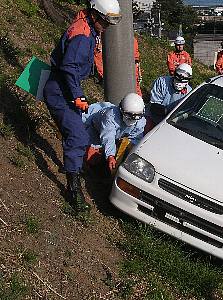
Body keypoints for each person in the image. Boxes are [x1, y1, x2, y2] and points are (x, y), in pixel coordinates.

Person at [43, 0, 121, 212]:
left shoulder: (89, 28)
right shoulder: (82, 35)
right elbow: (69, 67)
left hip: (67, 87)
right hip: (61, 90)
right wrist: (78, 95)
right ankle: (73, 190)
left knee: (79, 135)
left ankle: (74, 168)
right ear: (95, 15)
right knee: (77, 136)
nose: (106, 27)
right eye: (104, 22)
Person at [82, 93, 146, 172]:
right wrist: (110, 156)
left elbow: (135, 139)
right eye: (129, 116)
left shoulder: (140, 122)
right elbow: (108, 137)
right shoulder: (110, 116)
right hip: (94, 129)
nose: (132, 119)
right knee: (91, 159)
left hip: (116, 136)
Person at [145, 63, 193, 133]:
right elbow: (154, 106)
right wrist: (167, 112)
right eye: (177, 79)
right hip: (153, 117)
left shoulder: (189, 92)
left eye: (182, 80)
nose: (178, 83)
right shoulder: (162, 82)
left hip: (171, 123)